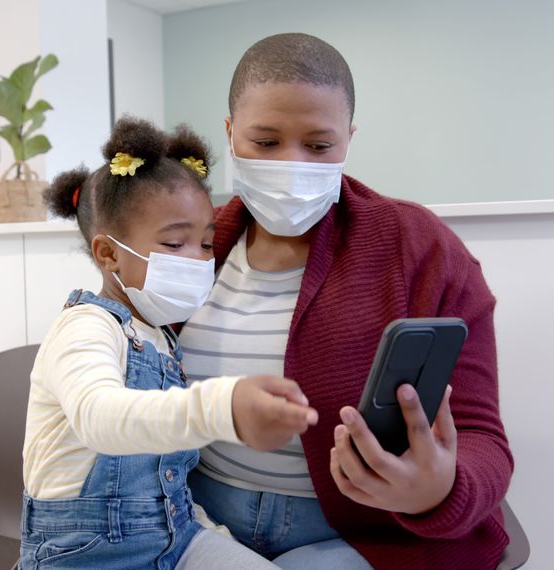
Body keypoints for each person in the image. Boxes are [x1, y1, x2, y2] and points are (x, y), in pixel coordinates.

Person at [178, 34, 513, 569]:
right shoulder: (187, 245)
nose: (291, 164)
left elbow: (481, 438)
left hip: (364, 534)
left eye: (318, 146)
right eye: (265, 142)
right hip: (196, 517)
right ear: (230, 134)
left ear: (349, 139)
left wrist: (436, 491)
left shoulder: (418, 247)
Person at [20, 117, 319, 569]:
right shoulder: (85, 328)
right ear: (108, 254)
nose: (199, 260)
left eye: (205, 243)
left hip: (176, 539)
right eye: (176, 243)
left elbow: (166, 479)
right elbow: (101, 418)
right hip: (83, 555)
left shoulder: (160, 337)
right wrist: (224, 409)